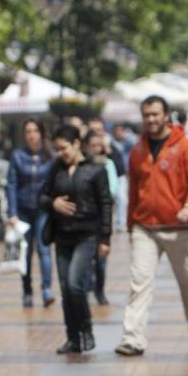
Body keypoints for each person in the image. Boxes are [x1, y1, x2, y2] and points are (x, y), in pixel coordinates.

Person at [115, 96, 188, 357]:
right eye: (146, 115)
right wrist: (130, 225)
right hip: (145, 228)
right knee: (139, 284)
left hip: (179, 228)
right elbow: (133, 191)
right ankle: (132, 339)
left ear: (166, 115)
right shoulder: (137, 151)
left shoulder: (184, 144)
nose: (151, 119)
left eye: (155, 114)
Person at [41, 125, 112, 354]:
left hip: (86, 234)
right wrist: (53, 203)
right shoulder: (56, 169)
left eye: (64, 148)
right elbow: (42, 196)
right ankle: (72, 337)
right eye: (57, 149)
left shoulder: (96, 169)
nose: (61, 153)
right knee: (65, 288)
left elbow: (105, 204)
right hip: (62, 236)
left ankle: (86, 329)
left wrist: (105, 238)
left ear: (76, 144)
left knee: (74, 283)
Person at [7, 118, 56, 308]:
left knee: (44, 250)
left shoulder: (50, 157)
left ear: (41, 133)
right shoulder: (18, 156)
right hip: (23, 211)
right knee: (25, 253)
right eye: (28, 131)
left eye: (35, 131)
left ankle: (46, 290)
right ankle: (27, 291)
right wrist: (12, 213)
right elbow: (11, 185)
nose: (31, 135)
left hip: (43, 210)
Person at [84, 130, 118, 305]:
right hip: (84, 219)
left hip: (101, 218)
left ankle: (100, 290)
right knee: (85, 259)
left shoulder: (107, 164)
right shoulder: (81, 165)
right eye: (93, 145)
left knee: (101, 260)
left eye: (99, 145)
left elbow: (113, 190)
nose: (97, 149)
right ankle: (84, 290)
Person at [111, 123, 139, 231]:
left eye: (121, 130)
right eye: (116, 130)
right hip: (114, 174)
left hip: (124, 174)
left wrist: (127, 135)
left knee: (123, 199)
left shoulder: (127, 142)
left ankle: (122, 223)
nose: (119, 133)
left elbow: (135, 141)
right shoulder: (110, 143)